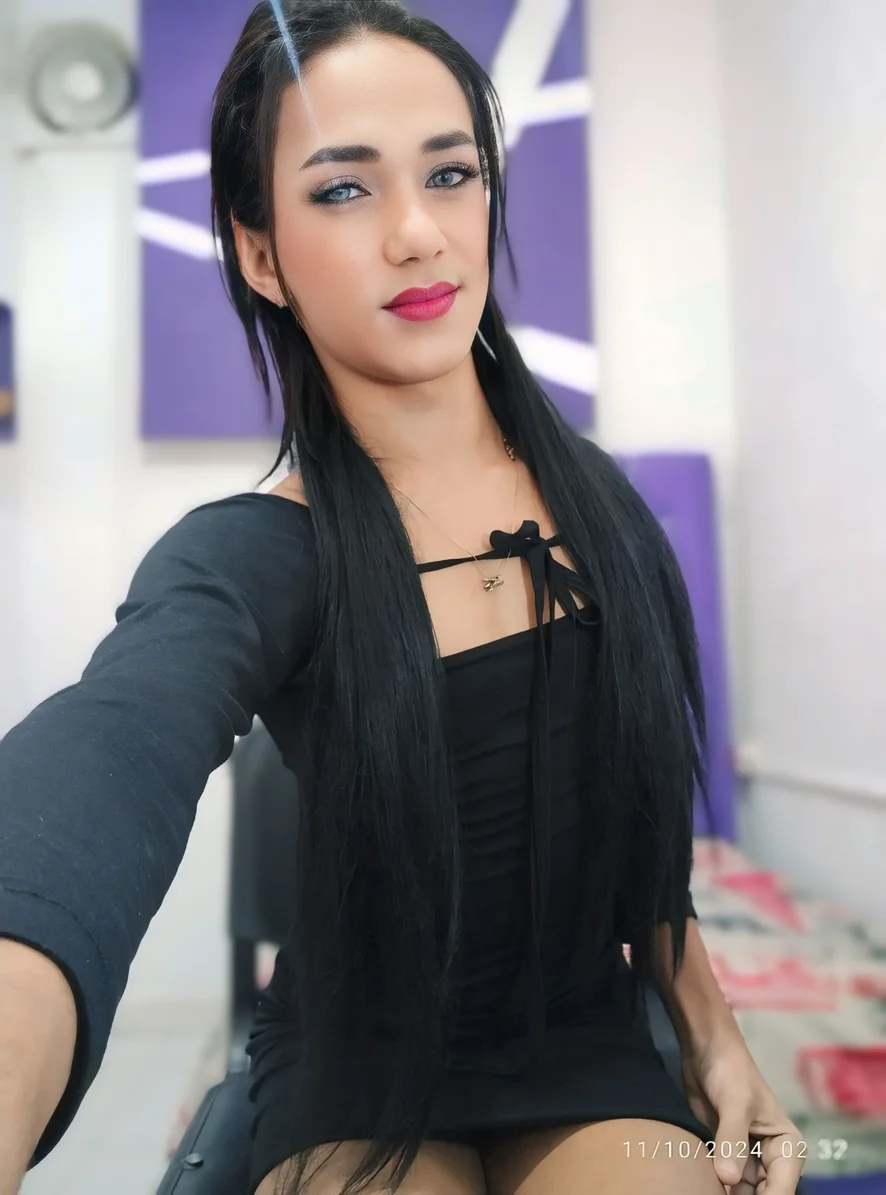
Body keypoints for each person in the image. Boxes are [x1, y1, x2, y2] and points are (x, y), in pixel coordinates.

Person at [0, 2, 804, 1193]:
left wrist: (713, 1037)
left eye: (450, 173)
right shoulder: (253, 554)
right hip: (355, 1062)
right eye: (342, 189)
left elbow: (639, 831)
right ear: (260, 254)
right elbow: (103, 762)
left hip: (582, 1041)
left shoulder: (606, 510)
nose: (419, 233)